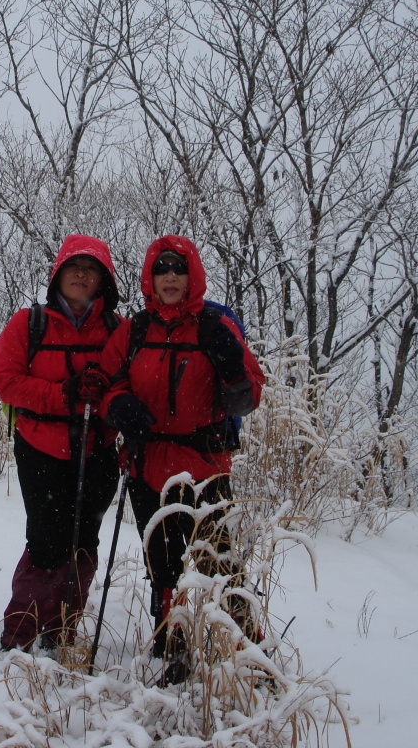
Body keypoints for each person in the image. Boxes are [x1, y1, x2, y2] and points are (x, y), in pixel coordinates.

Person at [99, 234, 265, 682]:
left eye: (178, 269)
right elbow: (107, 382)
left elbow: (249, 395)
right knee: (162, 563)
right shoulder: (133, 331)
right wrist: (119, 405)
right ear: (150, 277)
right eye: (161, 269)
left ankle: (250, 647)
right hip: (147, 464)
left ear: (192, 275)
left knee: (219, 560)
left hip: (204, 464)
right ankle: (169, 644)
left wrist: (234, 373)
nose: (170, 277)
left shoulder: (214, 326)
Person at [0, 233, 122, 655]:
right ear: (58, 275)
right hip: (41, 449)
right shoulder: (29, 324)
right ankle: (21, 635)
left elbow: (130, 384)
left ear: (104, 281)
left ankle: (62, 632)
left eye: (92, 270)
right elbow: (6, 381)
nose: (82, 276)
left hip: (97, 450)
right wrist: (63, 395)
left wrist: (107, 395)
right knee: (46, 541)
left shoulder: (118, 330)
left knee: (85, 540)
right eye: (73, 268)